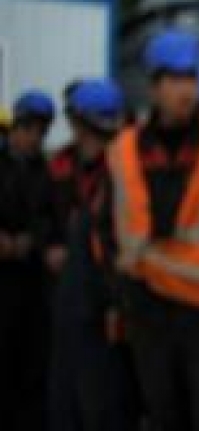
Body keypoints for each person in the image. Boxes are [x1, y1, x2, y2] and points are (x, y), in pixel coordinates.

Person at [97, 28, 199, 431]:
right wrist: (122, 293)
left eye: (191, 77)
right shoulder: (123, 149)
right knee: (163, 414)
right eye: (174, 78)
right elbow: (107, 229)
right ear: (154, 86)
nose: (185, 89)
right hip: (148, 308)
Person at [47, 78, 139, 431]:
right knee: (68, 399)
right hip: (71, 304)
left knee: (106, 401)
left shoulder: (125, 170)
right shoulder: (65, 166)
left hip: (108, 305)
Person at [0, 89, 58, 431]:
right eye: (28, 129)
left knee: (32, 365)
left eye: (41, 131)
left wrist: (31, 241)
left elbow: (52, 219)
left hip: (34, 287)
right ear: (14, 128)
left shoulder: (47, 172)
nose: (34, 138)